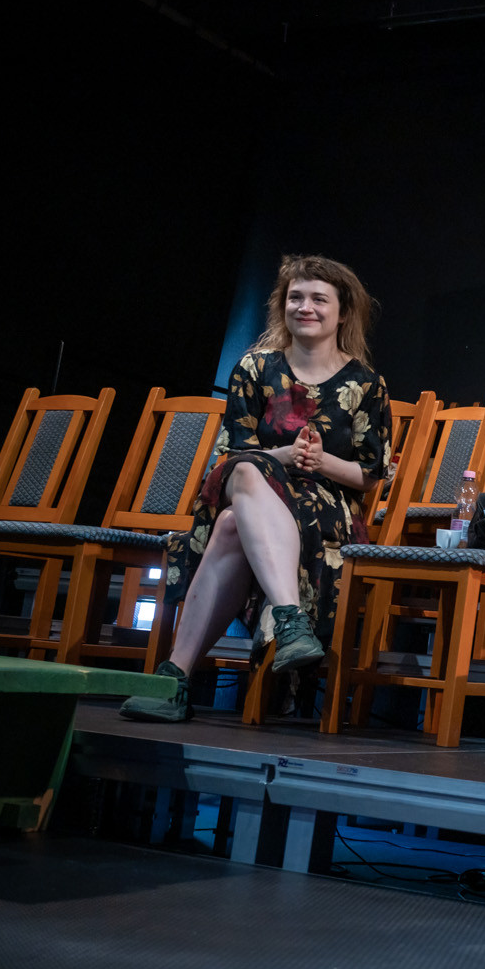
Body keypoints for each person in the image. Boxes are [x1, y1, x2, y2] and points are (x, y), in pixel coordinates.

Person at [120, 255, 392, 722]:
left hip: (326, 507)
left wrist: (320, 461)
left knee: (230, 524)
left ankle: (175, 679)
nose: (305, 307)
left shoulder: (366, 384)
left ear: (344, 312)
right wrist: (283, 456)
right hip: (256, 485)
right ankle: (291, 620)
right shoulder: (255, 366)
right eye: (295, 297)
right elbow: (233, 454)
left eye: (318, 299)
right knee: (246, 472)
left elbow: (371, 475)